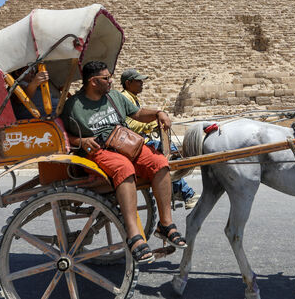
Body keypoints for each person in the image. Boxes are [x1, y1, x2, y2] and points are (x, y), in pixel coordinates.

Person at [60, 60, 186, 264]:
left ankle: (166, 224)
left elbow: (137, 113)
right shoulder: (73, 106)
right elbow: (62, 135)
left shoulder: (114, 96)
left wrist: (158, 113)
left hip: (127, 144)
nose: (111, 81)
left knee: (159, 162)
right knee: (123, 168)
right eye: (106, 78)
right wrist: (80, 141)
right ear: (93, 82)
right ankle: (133, 235)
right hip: (100, 150)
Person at [119, 68, 200, 210]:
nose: (142, 84)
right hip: (135, 143)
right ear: (128, 83)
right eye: (138, 81)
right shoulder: (125, 97)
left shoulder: (132, 97)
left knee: (173, 152)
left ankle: (176, 188)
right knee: (167, 156)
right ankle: (184, 193)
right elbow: (129, 124)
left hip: (138, 140)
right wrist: (151, 124)